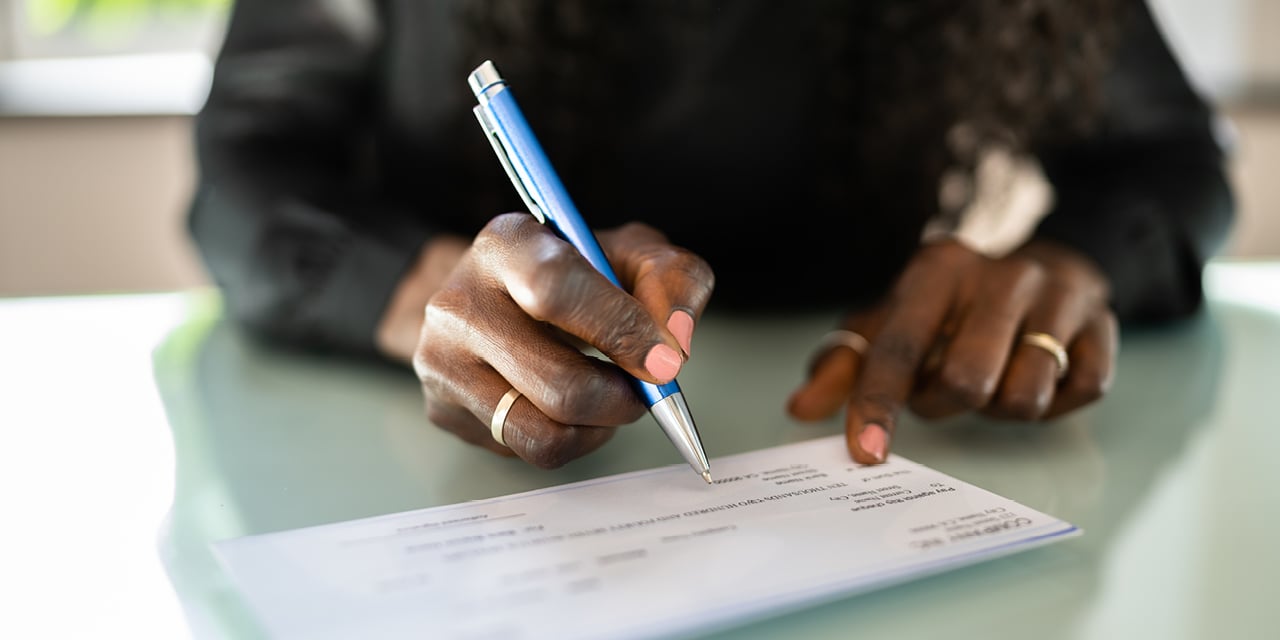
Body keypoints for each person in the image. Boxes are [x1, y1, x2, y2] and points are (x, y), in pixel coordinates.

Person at [187, 0, 1234, 469]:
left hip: (847, 408)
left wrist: (1065, 262)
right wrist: (434, 301)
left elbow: (1173, 157)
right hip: (416, 469)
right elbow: (245, 169)